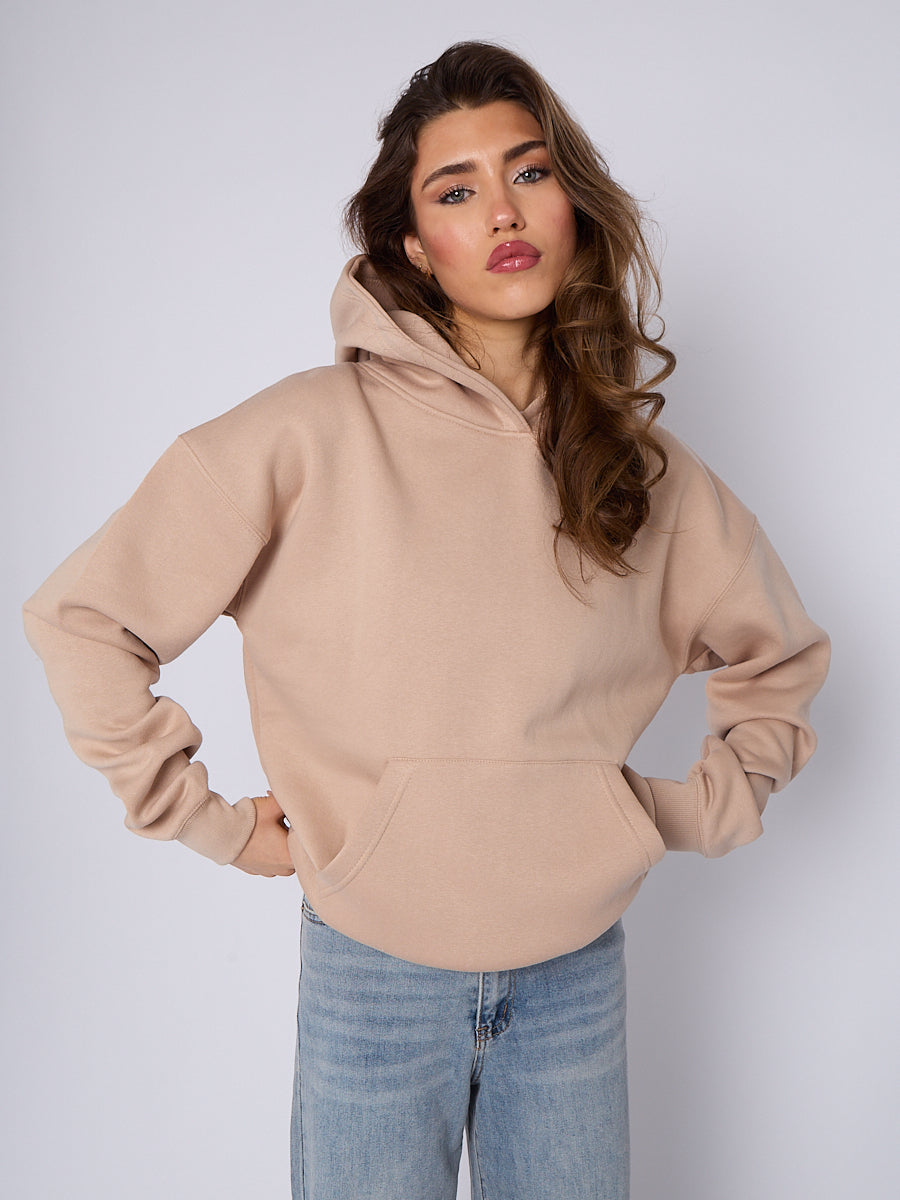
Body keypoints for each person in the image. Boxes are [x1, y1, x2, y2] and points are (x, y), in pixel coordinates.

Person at [22, 40, 830, 1200]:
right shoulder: (306, 434)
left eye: (530, 173)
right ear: (413, 244)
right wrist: (209, 824)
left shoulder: (636, 470)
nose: (503, 211)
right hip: (374, 975)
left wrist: (669, 812)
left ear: (572, 203)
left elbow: (781, 657)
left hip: (573, 977)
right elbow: (85, 618)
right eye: (457, 190)